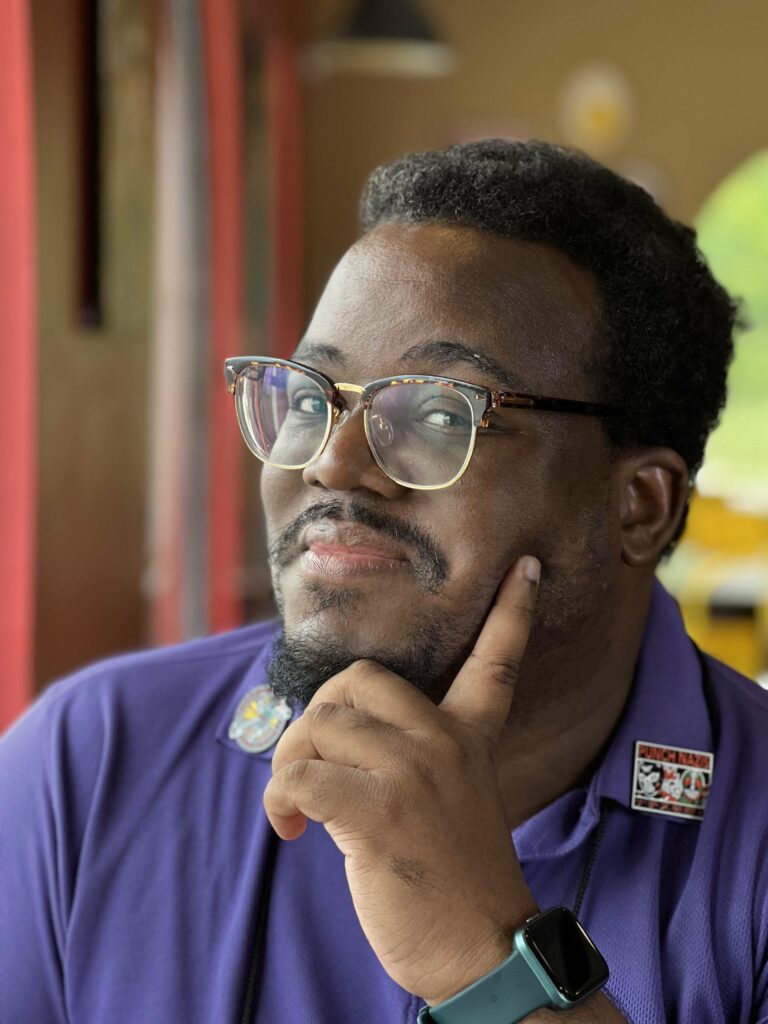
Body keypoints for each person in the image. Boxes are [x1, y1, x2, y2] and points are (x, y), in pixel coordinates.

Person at [1, 139, 766, 1024]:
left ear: (639, 505)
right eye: (309, 398)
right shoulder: (91, 766)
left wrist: (488, 961)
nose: (331, 460)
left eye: (440, 411)